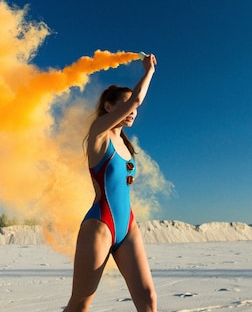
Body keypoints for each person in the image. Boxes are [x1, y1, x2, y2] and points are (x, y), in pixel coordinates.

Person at [64, 53, 157, 312]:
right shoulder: (99, 135)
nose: (133, 111)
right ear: (108, 106)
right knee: (81, 303)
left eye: (134, 109)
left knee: (148, 299)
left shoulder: (126, 146)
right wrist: (148, 71)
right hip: (100, 226)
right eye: (127, 106)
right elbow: (138, 97)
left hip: (128, 227)